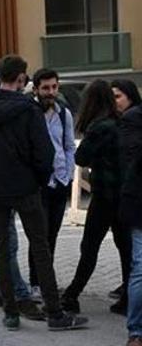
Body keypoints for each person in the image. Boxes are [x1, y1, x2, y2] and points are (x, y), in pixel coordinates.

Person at [0, 55, 87, 331]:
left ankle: (10, 312)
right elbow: (45, 153)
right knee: (40, 249)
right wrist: (39, 181)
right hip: (26, 188)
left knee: (2, 250)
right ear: (20, 79)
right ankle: (55, 313)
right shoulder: (28, 109)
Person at [61, 80, 131, 316]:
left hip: (104, 196)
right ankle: (128, 298)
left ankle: (72, 294)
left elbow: (81, 157)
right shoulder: (120, 122)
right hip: (122, 195)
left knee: (89, 246)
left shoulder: (99, 127)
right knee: (125, 248)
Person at [25, 69, 76, 301]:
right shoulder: (29, 113)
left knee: (52, 235)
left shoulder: (63, 113)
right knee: (38, 235)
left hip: (60, 182)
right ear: (35, 89)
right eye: (46, 88)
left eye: (54, 87)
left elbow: (68, 146)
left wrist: (69, 174)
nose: (51, 92)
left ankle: (47, 280)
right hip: (38, 184)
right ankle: (36, 283)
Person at [117, 84, 142, 346]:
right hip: (139, 204)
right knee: (141, 269)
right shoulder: (133, 118)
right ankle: (136, 331)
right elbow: (133, 156)